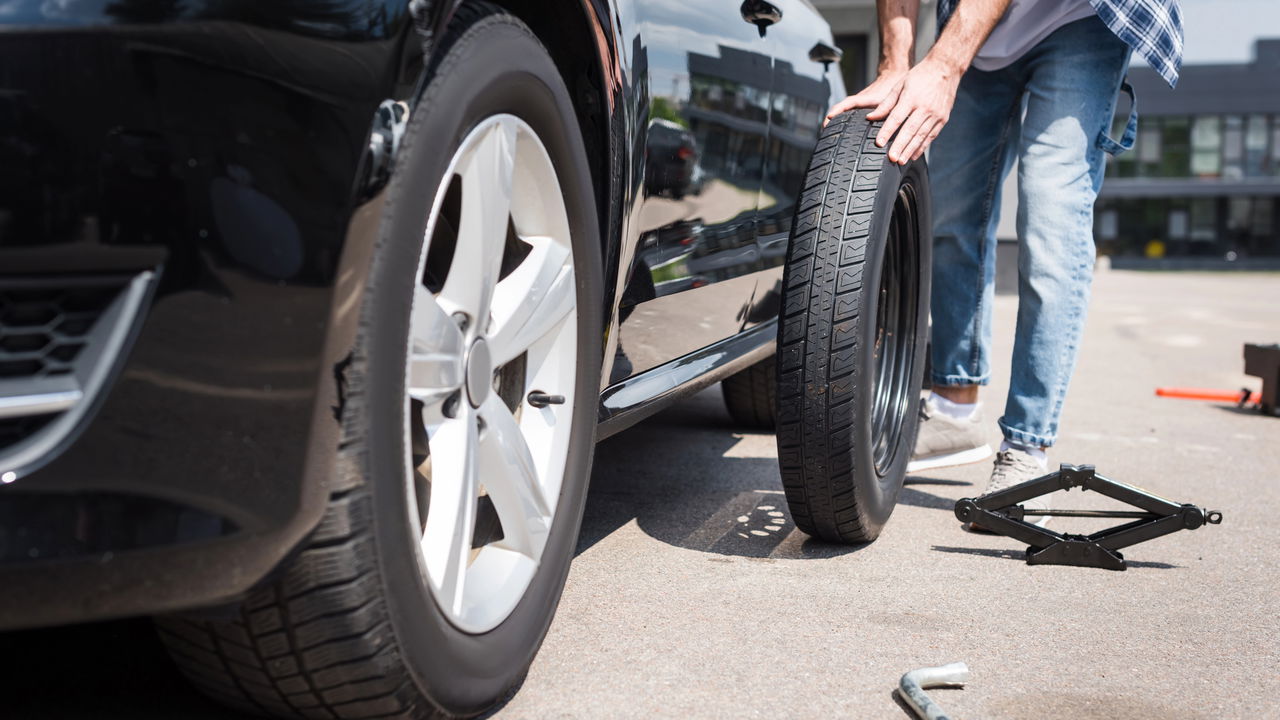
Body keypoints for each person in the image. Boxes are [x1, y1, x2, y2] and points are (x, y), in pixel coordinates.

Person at [826, 0, 1183, 514]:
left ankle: (1026, 447)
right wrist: (895, 66)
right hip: (978, 29)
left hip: (1080, 19)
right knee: (951, 214)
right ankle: (953, 410)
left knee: (1050, 219)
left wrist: (943, 67)